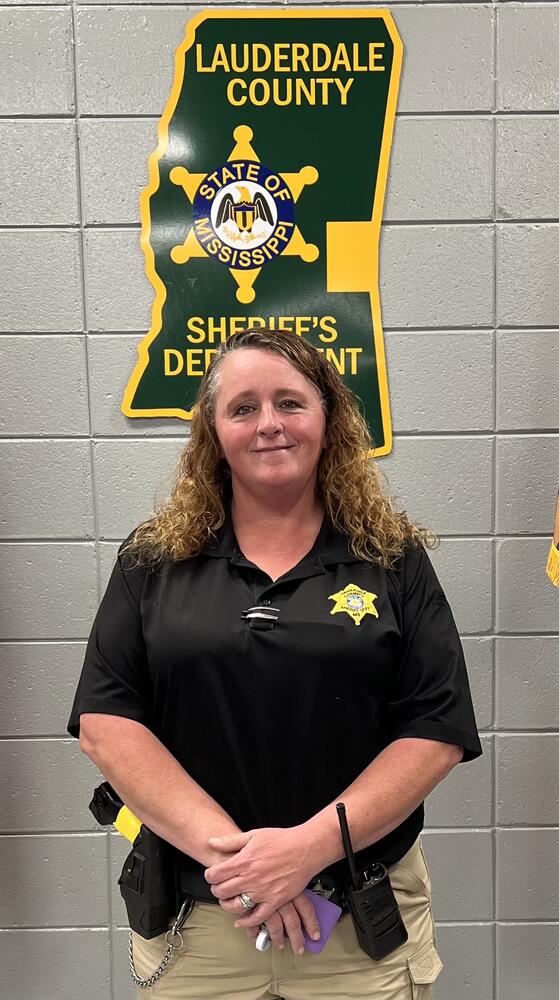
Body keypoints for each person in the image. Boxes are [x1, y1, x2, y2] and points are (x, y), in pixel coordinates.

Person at [68, 327, 482, 999]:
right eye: (242, 407)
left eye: (290, 403)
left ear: (328, 420)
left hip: (355, 921)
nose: (268, 425)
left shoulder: (391, 558)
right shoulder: (151, 560)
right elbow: (106, 722)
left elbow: (434, 731)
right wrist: (246, 867)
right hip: (200, 919)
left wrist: (306, 851)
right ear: (212, 429)